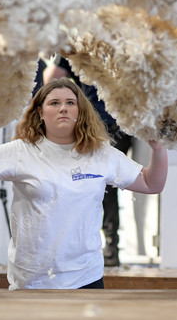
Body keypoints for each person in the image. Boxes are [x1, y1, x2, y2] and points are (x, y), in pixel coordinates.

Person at [0, 78, 167, 290]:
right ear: (40, 113)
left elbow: (151, 184)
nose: (63, 108)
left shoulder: (101, 154)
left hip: (85, 279)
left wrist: (158, 149)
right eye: (54, 103)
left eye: (70, 103)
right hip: (32, 282)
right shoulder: (21, 151)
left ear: (80, 111)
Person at [43, 56, 130, 267]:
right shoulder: (125, 43)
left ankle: (76, 247)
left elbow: (51, 79)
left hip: (92, 123)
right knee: (108, 186)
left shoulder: (76, 45)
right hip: (122, 122)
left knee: (79, 183)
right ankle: (111, 249)